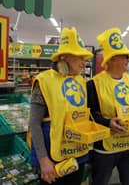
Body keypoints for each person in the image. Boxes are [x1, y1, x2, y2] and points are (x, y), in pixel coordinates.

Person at [87, 27, 129, 185]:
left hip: (128, 145)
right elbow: (87, 115)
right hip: (105, 149)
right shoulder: (93, 84)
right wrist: (107, 123)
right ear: (111, 59)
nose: (128, 59)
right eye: (124, 56)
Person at [29, 27, 93, 184]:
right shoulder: (44, 81)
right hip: (52, 157)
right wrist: (43, 160)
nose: (84, 62)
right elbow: (34, 124)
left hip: (77, 153)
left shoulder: (80, 80)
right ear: (65, 57)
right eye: (80, 57)